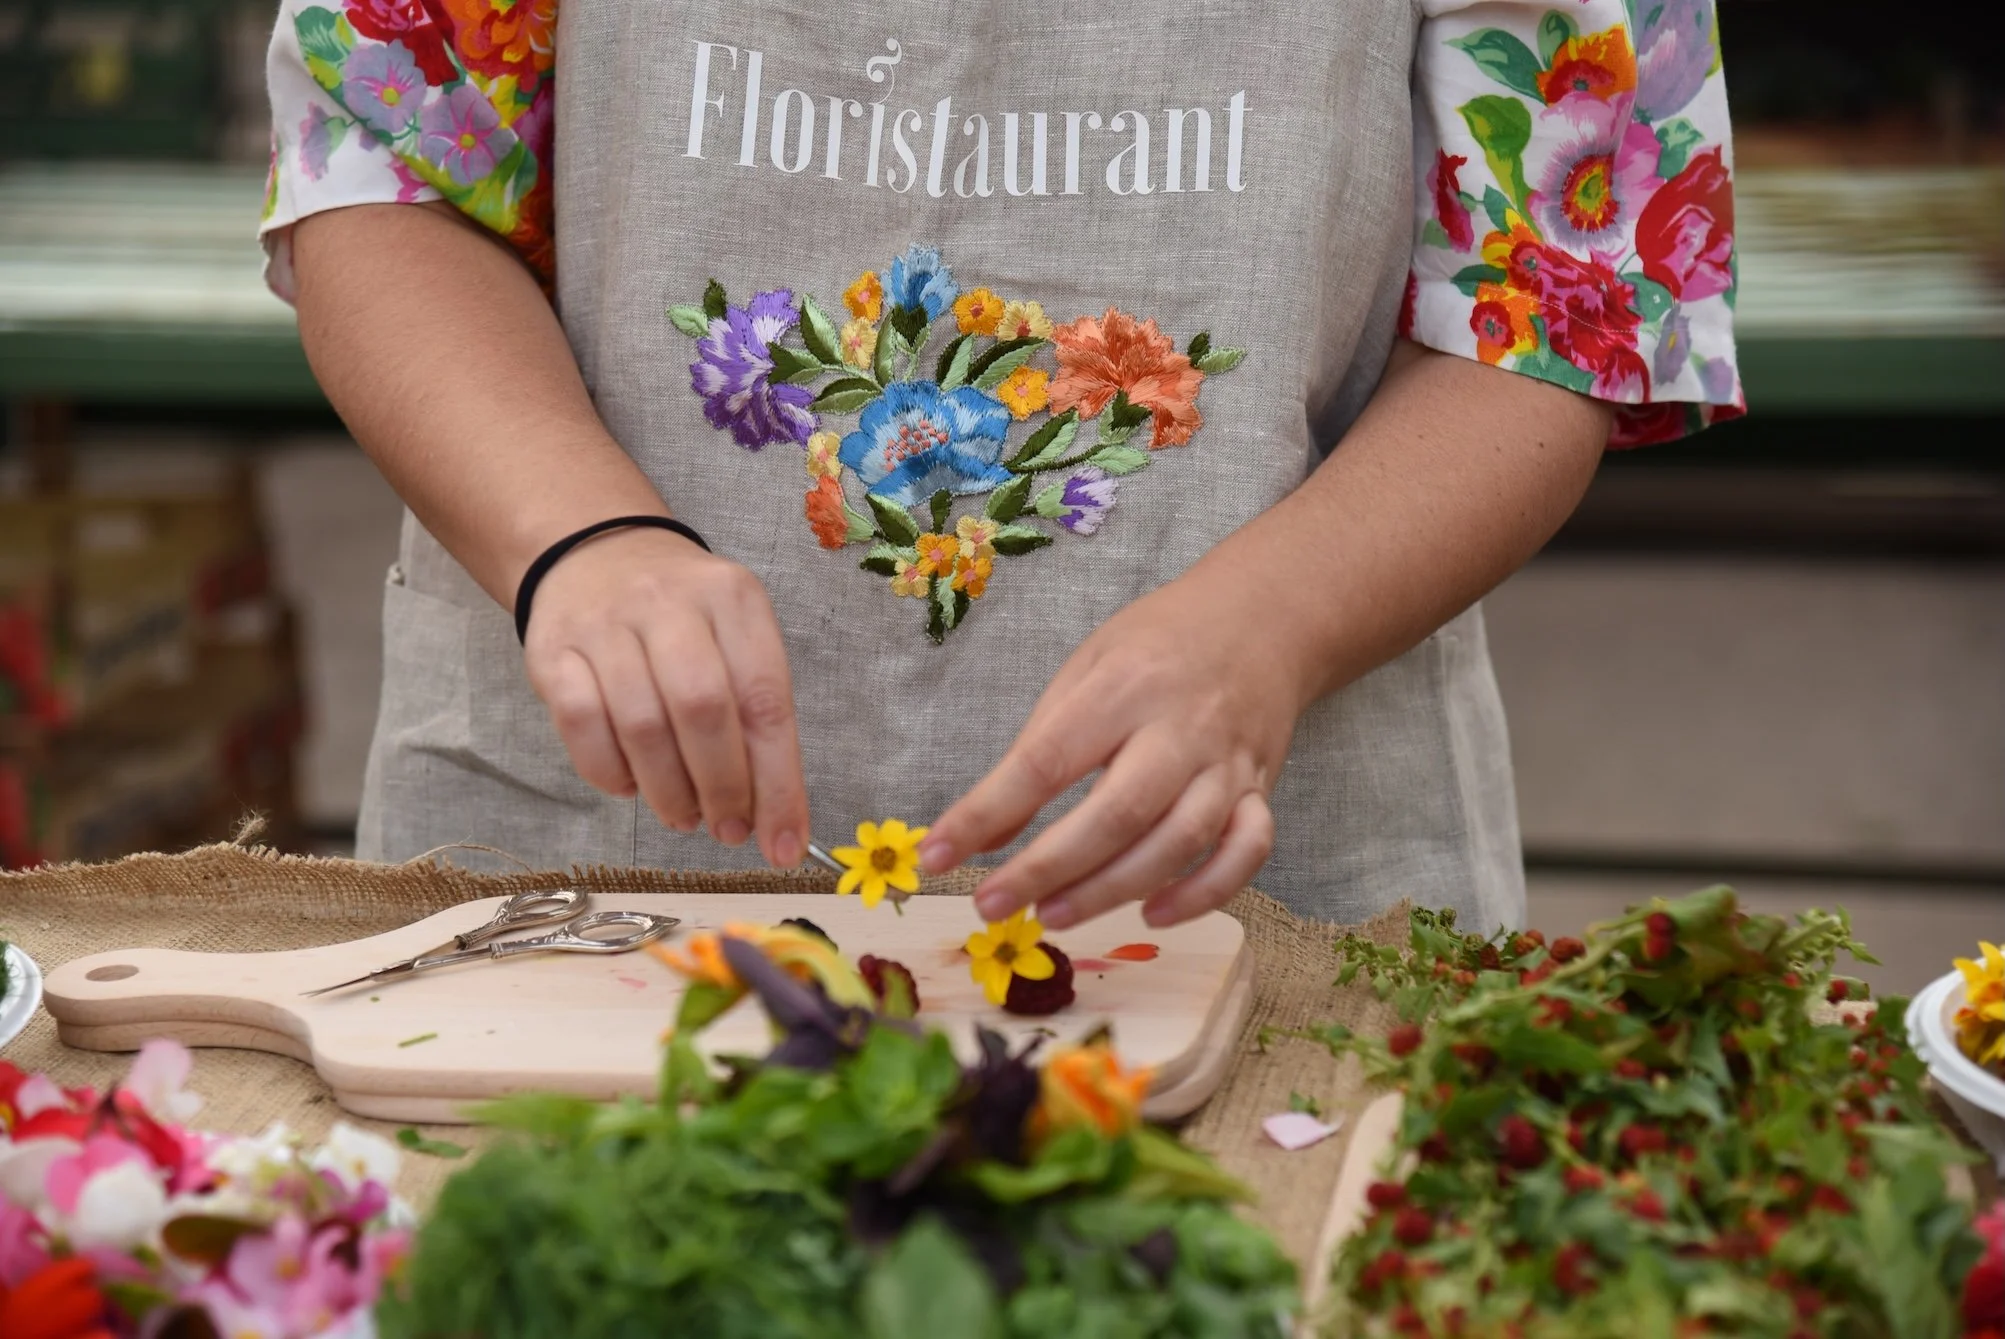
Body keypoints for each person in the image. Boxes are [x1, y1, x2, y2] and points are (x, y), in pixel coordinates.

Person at [262, 0, 1740, 933]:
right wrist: (578, 535)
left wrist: (1271, 627)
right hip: (585, 869)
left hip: (1255, 893)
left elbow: (1557, 306)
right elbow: (386, 176)